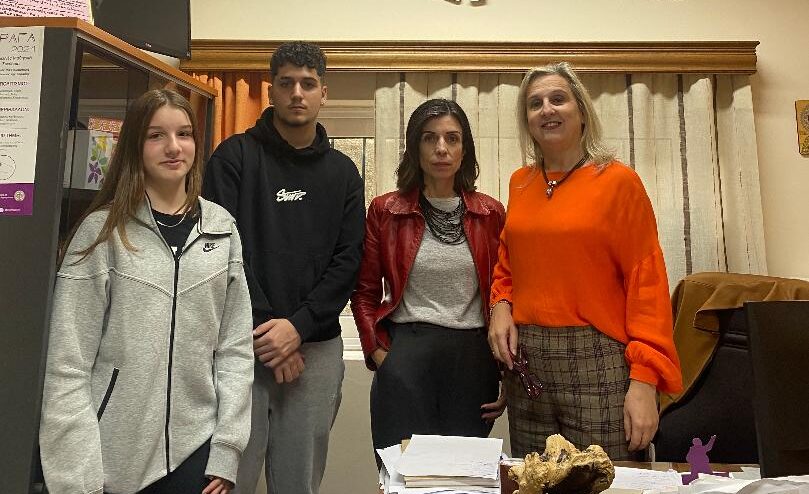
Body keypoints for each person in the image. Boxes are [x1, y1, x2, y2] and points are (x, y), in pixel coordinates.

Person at [39, 89, 254, 494]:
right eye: (156, 135)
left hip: (199, 454)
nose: (174, 147)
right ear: (135, 146)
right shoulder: (101, 233)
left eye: (184, 134)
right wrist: (76, 480)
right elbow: (68, 366)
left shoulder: (222, 228)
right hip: (111, 460)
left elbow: (235, 350)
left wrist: (227, 449)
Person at [488, 62, 684, 460]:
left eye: (558, 99)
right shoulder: (521, 183)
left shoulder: (618, 182)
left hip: (598, 361)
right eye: (535, 103)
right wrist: (500, 305)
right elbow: (509, 263)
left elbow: (646, 284)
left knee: (609, 481)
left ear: (581, 110)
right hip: (528, 364)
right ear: (527, 121)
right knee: (537, 480)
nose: (547, 109)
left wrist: (645, 381)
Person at [202, 42, 365, 494]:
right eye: (287, 83)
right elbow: (222, 253)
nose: (297, 93)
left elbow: (349, 260)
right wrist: (271, 334)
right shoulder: (233, 158)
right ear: (271, 90)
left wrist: (298, 328)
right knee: (228, 479)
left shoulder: (343, 173)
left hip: (316, 351)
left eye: (308, 84)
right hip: (240, 348)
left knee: (298, 484)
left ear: (323, 93)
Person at [351, 98, 506, 460]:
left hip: (473, 360)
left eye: (452, 138)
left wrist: (507, 372)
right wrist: (379, 354)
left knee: (464, 476)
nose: (441, 148)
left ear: (464, 150)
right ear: (414, 148)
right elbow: (365, 292)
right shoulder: (386, 210)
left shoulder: (491, 213)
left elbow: (507, 296)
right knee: (404, 473)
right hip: (407, 353)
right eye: (429, 138)